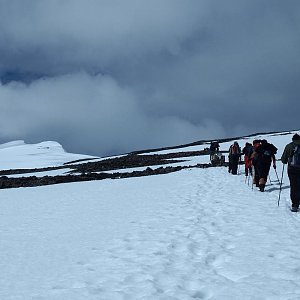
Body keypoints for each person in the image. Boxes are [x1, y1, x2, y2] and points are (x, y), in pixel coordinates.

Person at [281, 133, 300, 212]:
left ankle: (295, 204)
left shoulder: (289, 146)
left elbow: (284, 160)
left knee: (294, 186)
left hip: (292, 169)